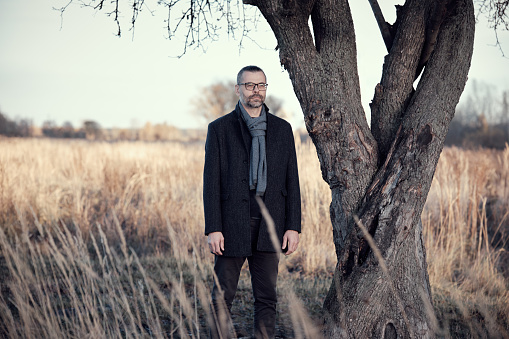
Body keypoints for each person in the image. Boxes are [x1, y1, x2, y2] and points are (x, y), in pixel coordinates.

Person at [203, 65, 301, 339]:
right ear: (238, 89)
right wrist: (213, 228)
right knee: (222, 296)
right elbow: (210, 184)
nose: (256, 90)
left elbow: (291, 181)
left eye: (261, 85)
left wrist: (293, 226)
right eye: (249, 85)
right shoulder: (220, 129)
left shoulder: (282, 130)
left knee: (267, 298)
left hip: (271, 224)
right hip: (231, 223)